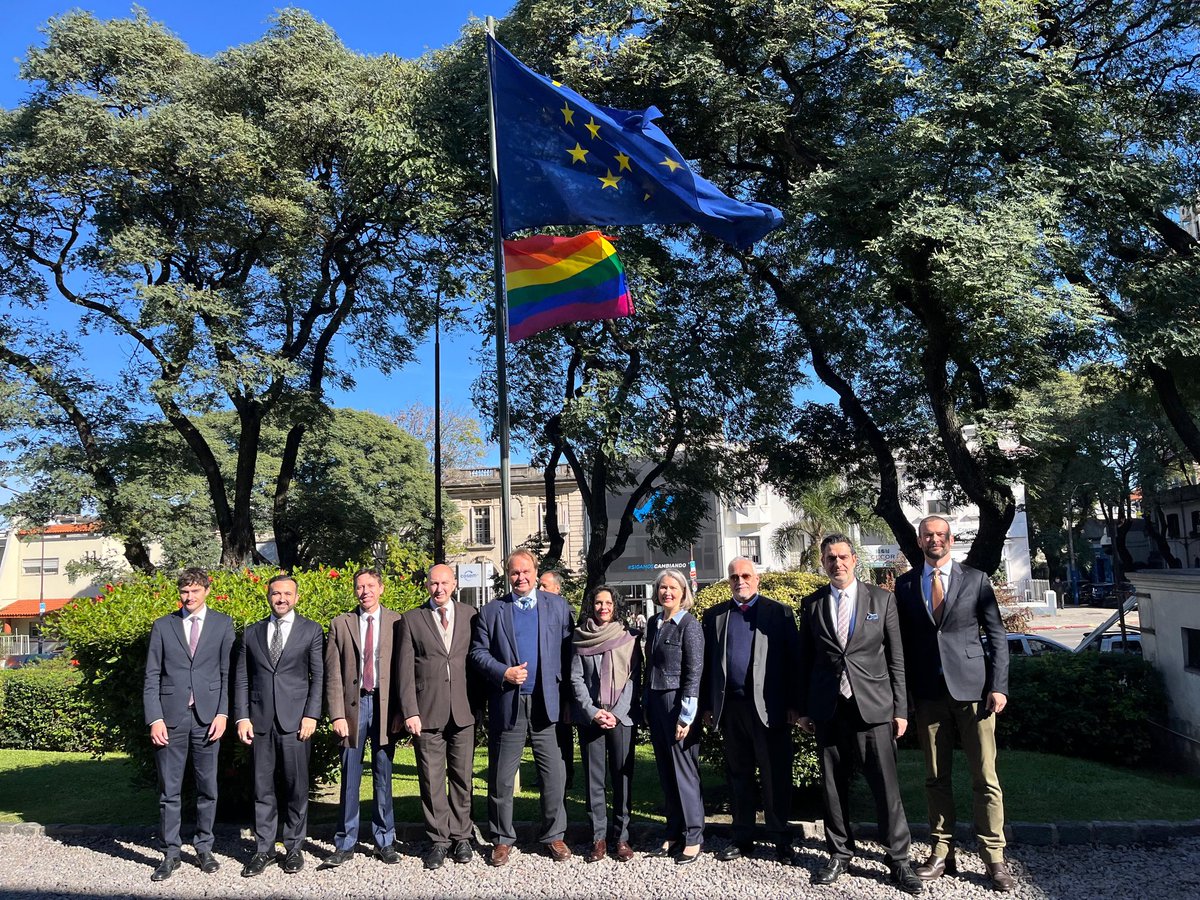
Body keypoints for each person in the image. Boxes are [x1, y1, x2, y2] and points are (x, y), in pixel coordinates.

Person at [797, 535, 922, 894]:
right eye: (830, 558)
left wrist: (901, 710)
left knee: (886, 786)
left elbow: (897, 659)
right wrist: (805, 709)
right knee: (833, 788)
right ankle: (839, 852)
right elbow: (806, 662)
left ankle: (899, 859)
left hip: (874, 708)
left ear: (854, 559)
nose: (837, 563)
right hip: (829, 709)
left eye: (842, 557)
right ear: (823, 563)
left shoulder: (882, 600)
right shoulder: (813, 605)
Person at [895, 515, 1014, 892]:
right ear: (919, 540)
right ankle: (941, 852)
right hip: (929, 696)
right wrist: (905, 697)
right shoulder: (906, 584)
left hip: (975, 695)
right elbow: (901, 646)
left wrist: (999, 686)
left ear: (950, 539)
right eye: (928, 535)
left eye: (941, 535)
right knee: (934, 778)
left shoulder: (976, 580)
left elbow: (997, 636)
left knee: (986, 778)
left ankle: (994, 857)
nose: (935, 540)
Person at [469, 548, 574, 866]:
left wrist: (569, 700)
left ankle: (554, 835)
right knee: (501, 776)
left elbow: (570, 653)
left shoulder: (557, 606)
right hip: (508, 703)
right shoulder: (491, 611)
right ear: (507, 575)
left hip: (546, 703)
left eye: (525, 571)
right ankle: (501, 839)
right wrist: (504, 672)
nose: (521, 577)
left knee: (553, 773)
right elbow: (477, 653)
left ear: (535, 570)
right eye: (514, 572)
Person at [701, 556, 801, 863]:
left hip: (770, 710)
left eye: (746, 575)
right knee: (738, 775)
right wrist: (707, 705)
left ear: (757, 579)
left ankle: (780, 837)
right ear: (728, 581)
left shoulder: (779, 613)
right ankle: (742, 836)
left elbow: (795, 663)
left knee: (775, 775)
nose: (740, 581)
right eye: (734, 577)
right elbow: (706, 666)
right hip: (731, 709)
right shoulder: (716, 616)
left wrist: (795, 705)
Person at [142, 568, 235, 882]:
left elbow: (226, 674)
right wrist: (154, 718)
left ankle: (204, 847)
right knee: (170, 791)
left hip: (208, 719)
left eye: (195, 591)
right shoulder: (163, 626)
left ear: (207, 590)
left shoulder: (223, 624)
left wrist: (223, 714)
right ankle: (171, 853)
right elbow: (152, 676)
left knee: (208, 788)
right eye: (184, 592)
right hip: (170, 718)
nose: (189, 597)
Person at [234, 573, 324, 877]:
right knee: (262, 787)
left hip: (296, 722)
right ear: (268, 596)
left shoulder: (311, 630)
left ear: (296, 597)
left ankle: (294, 847)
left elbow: (318, 676)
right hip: (259, 721)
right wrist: (242, 716)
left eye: (287, 594)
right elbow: (243, 678)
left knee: (296, 787)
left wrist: (312, 714)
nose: (281, 599)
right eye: (275, 594)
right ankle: (264, 849)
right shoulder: (251, 633)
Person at [396, 564, 478, 870]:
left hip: (463, 710)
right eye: (433, 583)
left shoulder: (471, 615)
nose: (439, 588)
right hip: (426, 713)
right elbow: (404, 670)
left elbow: (476, 663)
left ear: (454, 584)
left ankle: (462, 837)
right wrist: (410, 711)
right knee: (431, 780)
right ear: (427, 586)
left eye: (444, 583)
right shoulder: (411, 619)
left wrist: (478, 708)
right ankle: (439, 840)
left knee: (462, 777)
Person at [323, 568, 402, 867]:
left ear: (381, 588)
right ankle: (345, 842)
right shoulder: (340, 624)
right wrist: (336, 715)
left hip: (384, 707)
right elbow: (332, 674)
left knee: (383, 776)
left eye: (370, 585)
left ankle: (385, 839)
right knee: (349, 779)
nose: (365, 591)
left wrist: (399, 713)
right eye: (359, 586)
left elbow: (404, 673)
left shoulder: (397, 622)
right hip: (353, 710)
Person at [569, 584, 641, 863]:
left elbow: (635, 679)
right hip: (592, 718)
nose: (603, 608)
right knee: (594, 780)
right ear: (592, 605)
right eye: (598, 603)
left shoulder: (629, 638)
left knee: (622, 778)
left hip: (622, 718)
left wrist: (617, 712)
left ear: (615, 606)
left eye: (608, 603)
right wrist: (593, 711)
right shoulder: (580, 638)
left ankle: (621, 837)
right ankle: (598, 838)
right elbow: (576, 679)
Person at [643, 568, 705, 865]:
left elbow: (694, 672)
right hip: (656, 703)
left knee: (684, 771)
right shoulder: (655, 624)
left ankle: (694, 835)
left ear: (683, 593)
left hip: (677, 705)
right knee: (666, 772)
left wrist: (687, 715)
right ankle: (674, 830)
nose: (667, 592)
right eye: (663, 588)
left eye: (673, 588)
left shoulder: (688, 625)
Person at [538, 569, 576, 791]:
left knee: (562, 730)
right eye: (539, 585)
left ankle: (566, 773)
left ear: (557, 589)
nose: (541, 590)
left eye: (545, 586)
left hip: (561, 684)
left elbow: (568, 652)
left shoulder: (564, 612)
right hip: (544, 683)